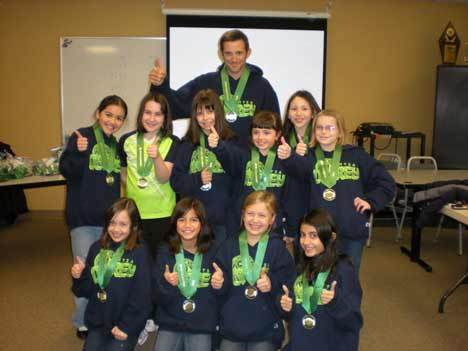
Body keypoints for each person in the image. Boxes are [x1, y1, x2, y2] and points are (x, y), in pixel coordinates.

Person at [277, 109, 395, 274]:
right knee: (314, 282)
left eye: (330, 128)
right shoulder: (307, 157)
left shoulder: (356, 156)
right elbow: (295, 174)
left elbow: (386, 182)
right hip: (316, 235)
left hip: (350, 232)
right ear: (314, 131)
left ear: (340, 131)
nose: (324, 132)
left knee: (347, 281)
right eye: (319, 128)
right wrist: (288, 157)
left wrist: (371, 201)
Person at [59, 95, 128, 339]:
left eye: (119, 118)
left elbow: (116, 180)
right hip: (83, 219)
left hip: (107, 223)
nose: (113, 121)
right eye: (109, 115)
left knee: (104, 270)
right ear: (98, 113)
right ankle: (82, 321)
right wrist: (78, 153)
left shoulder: (114, 144)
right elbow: (66, 171)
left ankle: (101, 315)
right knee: (83, 269)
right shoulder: (82, 136)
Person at [149, 29, 279, 144]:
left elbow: (274, 126)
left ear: (248, 53)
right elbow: (175, 105)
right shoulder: (205, 83)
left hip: (249, 162)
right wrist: (161, 85)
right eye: (228, 53)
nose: (234, 59)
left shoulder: (262, 86)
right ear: (221, 54)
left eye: (239, 53)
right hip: (213, 163)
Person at [212, 191, 295, 351]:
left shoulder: (278, 250)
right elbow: (218, 292)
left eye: (262, 215)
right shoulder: (228, 246)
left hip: (265, 329)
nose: (255, 220)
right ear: (242, 215)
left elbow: (288, 288)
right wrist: (219, 283)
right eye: (250, 213)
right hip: (232, 328)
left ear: (272, 219)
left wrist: (272, 284)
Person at [70, 198, 152, 351]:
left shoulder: (140, 253)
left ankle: (138, 334)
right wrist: (79, 276)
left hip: (126, 323)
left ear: (133, 226)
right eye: (112, 223)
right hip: (100, 322)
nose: (116, 229)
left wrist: (126, 326)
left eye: (123, 224)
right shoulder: (96, 248)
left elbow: (143, 297)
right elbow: (84, 291)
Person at [279, 208, 363, 351]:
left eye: (313, 236)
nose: (306, 241)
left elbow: (354, 322)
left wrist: (334, 302)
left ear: (331, 237)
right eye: (303, 235)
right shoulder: (300, 268)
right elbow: (294, 315)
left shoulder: (344, 270)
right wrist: (287, 308)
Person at [170, 89, 238, 244]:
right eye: (200, 113)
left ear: (219, 113)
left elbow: (238, 173)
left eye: (210, 111)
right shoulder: (187, 144)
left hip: (224, 224)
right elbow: (176, 182)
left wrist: (220, 146)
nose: (205, 118)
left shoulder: (232, 141)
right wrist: (197, 179)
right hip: (194, 225)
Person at [153, 197, 219, 351]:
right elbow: (157, 296)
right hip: (170, 321)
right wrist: (167, 284)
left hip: (201, 323)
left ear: (202, 223)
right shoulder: (165, 251)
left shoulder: (214, 251)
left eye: (194, 220)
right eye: (182, 220)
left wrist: (220, 283)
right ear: (175, 223)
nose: (187, 225)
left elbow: (220, 296)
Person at [119, 92, 179, 258]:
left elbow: (163, 177)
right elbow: (123, 174)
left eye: (158, 114)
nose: (152, 119)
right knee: (137, 260)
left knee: (161, 260)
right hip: (134, 213)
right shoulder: (126, 140)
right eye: (148, 112)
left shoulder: (172, 142)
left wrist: (157, 158)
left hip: (163, 213)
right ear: (141, 114)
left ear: (165, 118)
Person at [230, 110, 299, 240]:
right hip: (244, 226)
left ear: (278, 134)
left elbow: (291, 198)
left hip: (274, 228)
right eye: (256, 132)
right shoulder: (242, 156)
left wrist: (290, 228)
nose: (260, 137)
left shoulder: (285, 160)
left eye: (267, 133)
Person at [281, 91, 321, 255]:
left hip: (315, 211)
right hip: (290, 212)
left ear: (313, 113)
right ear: (288, 114)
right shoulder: (280, 141)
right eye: (294, 109)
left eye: (304, 108)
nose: (298, 113)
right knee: (297, 265)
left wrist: (301, 158)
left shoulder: (323, 140)